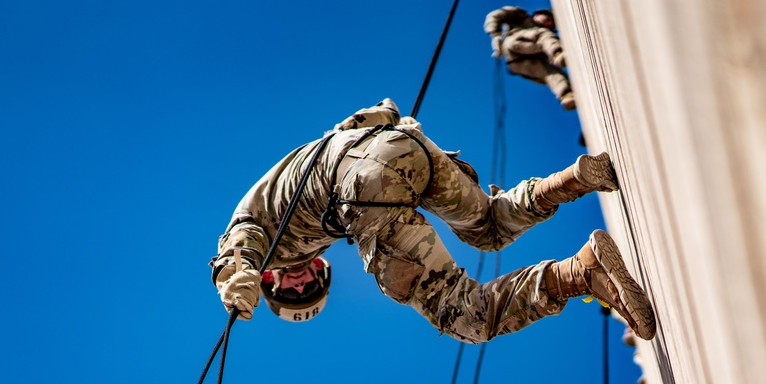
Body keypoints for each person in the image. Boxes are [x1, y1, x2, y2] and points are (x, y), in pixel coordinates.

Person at [211, 99, 656, 343]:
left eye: (293, 291)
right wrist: (388, 119)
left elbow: (236, 246)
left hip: (361, 185)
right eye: (311, 288)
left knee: (466, 317)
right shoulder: (286, 200)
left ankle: (583, 272)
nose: (301, 282)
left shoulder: (263, 235)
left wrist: (235, 277)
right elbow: (362, 117)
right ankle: (574, 178)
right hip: (400, 146)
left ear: (270, 281)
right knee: (489, 227)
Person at [484, 6, 574, 110]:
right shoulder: (522, 16)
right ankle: (557, 53)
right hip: (514, 45)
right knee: (543, 34)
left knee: (550, 72)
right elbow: (496, 15)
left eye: (551, 24)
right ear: (538, 14)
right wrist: (495, 34)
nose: (548, 24)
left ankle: (566, 96)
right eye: (548, 19)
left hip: (521, 63)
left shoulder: (546, 36)